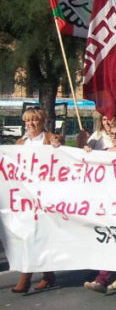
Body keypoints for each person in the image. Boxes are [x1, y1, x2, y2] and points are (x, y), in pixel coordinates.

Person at [12, 108, 61, 294]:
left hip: (46, 196)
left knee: (39, 235)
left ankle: (28, 276)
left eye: (34, 121)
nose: (30, 125)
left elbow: (62, 152)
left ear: (42, 122)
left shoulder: (50, 139)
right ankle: (46, 275)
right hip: (25, 197)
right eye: (27, 121)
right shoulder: (19, 143)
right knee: (28, 235)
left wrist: (58, 145)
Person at [84, 117, 116, 294]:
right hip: (107, 204)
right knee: (106, 240)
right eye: (112, 133)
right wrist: (87, 151)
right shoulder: (103, 153)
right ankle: (103, 278)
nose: (114, 136)